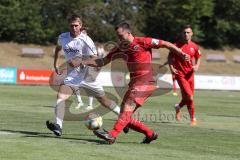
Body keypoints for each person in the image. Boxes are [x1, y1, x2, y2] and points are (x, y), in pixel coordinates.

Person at [74, 22, 189, 144]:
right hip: (135, 82)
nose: (119, 38)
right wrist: (85, 62)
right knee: (124, 116)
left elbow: (165, 44)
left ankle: (112, 135)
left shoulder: (142, 42)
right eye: (117, 36)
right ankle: (150, 134)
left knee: (127, 108)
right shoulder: (120, 47)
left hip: (145, 81)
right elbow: (102, 61)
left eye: (121, 35)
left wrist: (181, 53)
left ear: (128, 33)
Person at [46, 14, 121, 136]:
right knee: (60, 96)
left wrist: (81, 62)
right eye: (72, 25)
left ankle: (124, 119)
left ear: (80, 26)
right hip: (73, 76)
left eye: (76, 25)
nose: (74, 28)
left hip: (88, 76)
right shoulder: (63, 37)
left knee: (104, 101)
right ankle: (58, 126)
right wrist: (55, 64)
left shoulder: (86, 40)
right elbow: (58, 49)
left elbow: (96, 60)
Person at [168, 25, 201, 126]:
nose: (186, 34)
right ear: (181, 34)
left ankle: (178, 107)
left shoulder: (194, 46)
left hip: (190, 74)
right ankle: (193, 119)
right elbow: (169, 57)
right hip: (180, 74)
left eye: (188, 32)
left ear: (192, 34)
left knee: (188, 97)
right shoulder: (176, 46)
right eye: (184, 32)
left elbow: (198, 56)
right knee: (190, 97)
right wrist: (172, 68)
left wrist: (197, 65)